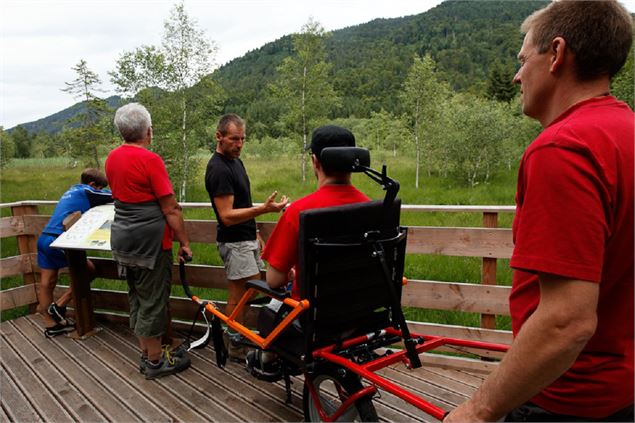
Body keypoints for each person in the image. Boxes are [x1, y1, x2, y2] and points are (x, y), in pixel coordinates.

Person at [445, 1, 633, 421]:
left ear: (557, 54)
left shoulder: (563, 148)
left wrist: (478, 409)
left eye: (522, 58)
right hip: (621, 388)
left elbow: (566, 321)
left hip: (565, 398)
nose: (516, 75)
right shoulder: (626, 132)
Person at [105, 103, 193, 380]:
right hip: (150, 243)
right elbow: (171, 208)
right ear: (148, 131)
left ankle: (147, 353)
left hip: (122, 238)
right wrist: (185, 242)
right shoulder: (150, 160)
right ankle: (155, 362)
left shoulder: (111, 158)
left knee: (138, 297)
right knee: (154, 300)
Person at [204, 113, 288, 361]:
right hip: (234, 242)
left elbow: (241, 202)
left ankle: (241, 339)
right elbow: (227, 215)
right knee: (241, 293)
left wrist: (255, 231)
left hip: (246, 238)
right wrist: (264, 209)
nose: (239, 144)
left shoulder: (235, 162)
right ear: (218, 137)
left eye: (243, 139)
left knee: (248, 291)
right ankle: (237, 344)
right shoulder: (218, 169)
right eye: (234, 139)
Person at [262, 124, 370, 298]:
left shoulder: (299, 211)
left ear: (315, 161)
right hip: (361, 314)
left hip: (313, 319)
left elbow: (274, 280)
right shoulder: (372, 209)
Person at [36, 168, 112, 338]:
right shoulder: (88, 190)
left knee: (47, 283)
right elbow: (116, 195)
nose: (99, 191)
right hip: (59, 240)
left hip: (45, 238)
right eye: (99, 188)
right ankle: (60, 305)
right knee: (90, 271)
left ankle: (51, 325)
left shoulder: (71, 190)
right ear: (93, 184)